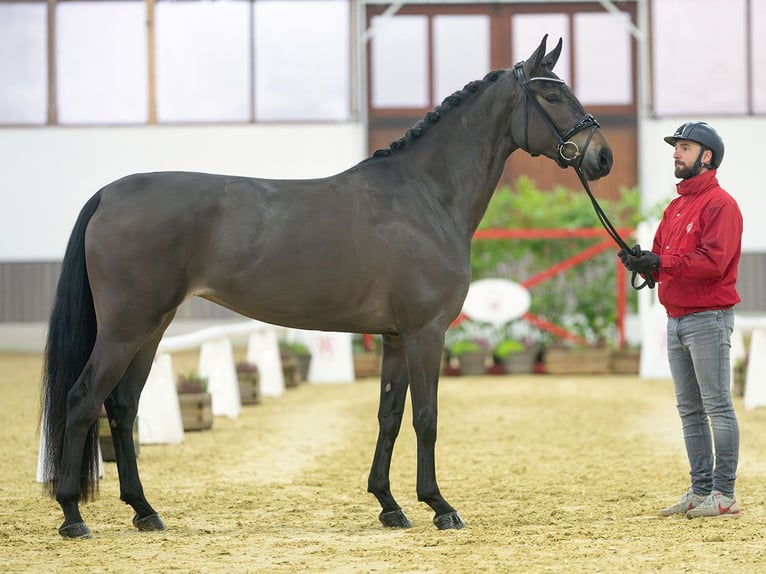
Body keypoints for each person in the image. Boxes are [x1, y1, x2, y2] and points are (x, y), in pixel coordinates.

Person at [619, 122, 743, 518]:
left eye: (684, 147)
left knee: (717, 406)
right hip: (675, 320)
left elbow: (712, 263)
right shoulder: (674, 208)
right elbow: (664, 265)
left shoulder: (722, 205)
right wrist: (644, 264)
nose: (676, 153)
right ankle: (700, 489)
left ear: (706, 156)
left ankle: (724, 494)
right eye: (677, 147)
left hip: (708, 318)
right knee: (690, 410)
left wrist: (662, 262)